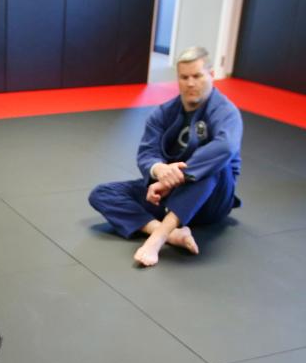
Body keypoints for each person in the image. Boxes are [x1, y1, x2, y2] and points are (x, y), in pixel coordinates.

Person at [88, 46, 243, 267]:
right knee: (102, 194)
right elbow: (146, 153)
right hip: (169, 193)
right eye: (184, 77)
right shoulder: (163, 113)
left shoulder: (225, 111)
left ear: (211, 75)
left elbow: (225, 147)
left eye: (197, 76)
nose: (191, 83)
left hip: (212, 201)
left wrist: (179, 176)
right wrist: (159, 170)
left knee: (215, 166)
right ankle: (172, 235)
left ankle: (158, 237)